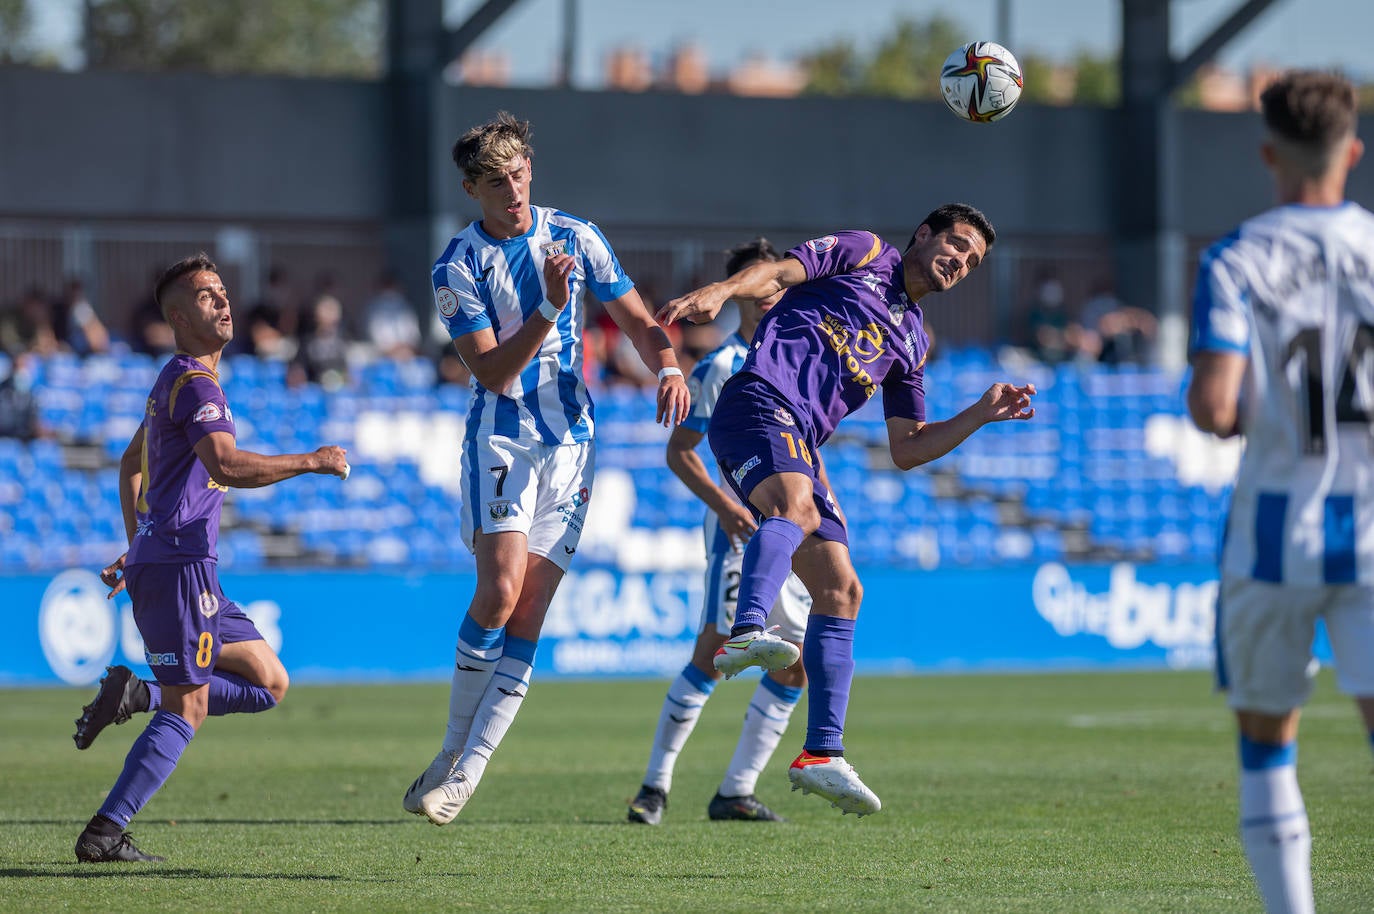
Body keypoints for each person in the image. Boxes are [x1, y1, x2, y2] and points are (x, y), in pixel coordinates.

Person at [658, 204, 1036, 816]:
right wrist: (726, 291)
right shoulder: (865, 252)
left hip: (802, 438)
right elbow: (780, 275)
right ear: (923, 235)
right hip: (757, 401)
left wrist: (979, 414)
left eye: (972, 261)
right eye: (956, 245)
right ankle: (748, 629)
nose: (960, 262)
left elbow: (908, 448)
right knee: (795, 506)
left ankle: (822, 753)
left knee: (843, 590)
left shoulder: (913, 340)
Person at [404, 111, 690, 826]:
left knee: (531, 609)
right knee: (499, 592)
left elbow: (634, 313)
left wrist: (667, 363)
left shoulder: (575, 235)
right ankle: (449, 750)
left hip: (572, 444)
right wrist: (550, 308)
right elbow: (494, 373)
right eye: (497, 182)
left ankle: (466, 773)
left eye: (521, 174)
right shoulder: (456, 267)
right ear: (472, 189)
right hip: (502, 439)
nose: (514, 191)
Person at [71, 253, 348, 862]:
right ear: (176, 314)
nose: (222, 302)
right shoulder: (194, 383)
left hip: (183, 567)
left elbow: (129, 465)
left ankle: (138, 695)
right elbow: (224, 463)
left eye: (222, 291)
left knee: (270, 681)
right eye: (205, 295)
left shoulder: (174, 380)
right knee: (190, 705)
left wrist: (138, 538)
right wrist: (312, 461)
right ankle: (104, 833)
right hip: (179, 570)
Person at [1185, 70, 1374, 914]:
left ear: (1269, 154)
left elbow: (1215, 407)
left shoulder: (1235, 259)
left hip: (1272, 535)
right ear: (1353, 153)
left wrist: (1256, 416)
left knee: (1268, 741)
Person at [627, 238, 812, 826]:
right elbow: (680, 452)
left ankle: (735, 789)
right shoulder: (722, 366)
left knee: (794, 665)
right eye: (760, 286)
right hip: (740, 532)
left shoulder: (798, 360)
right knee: (712, 654)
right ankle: (654, 787)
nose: (771, 294)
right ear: (742, 296)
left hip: (790, 531)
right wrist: (728, 507)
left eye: (777, 284)